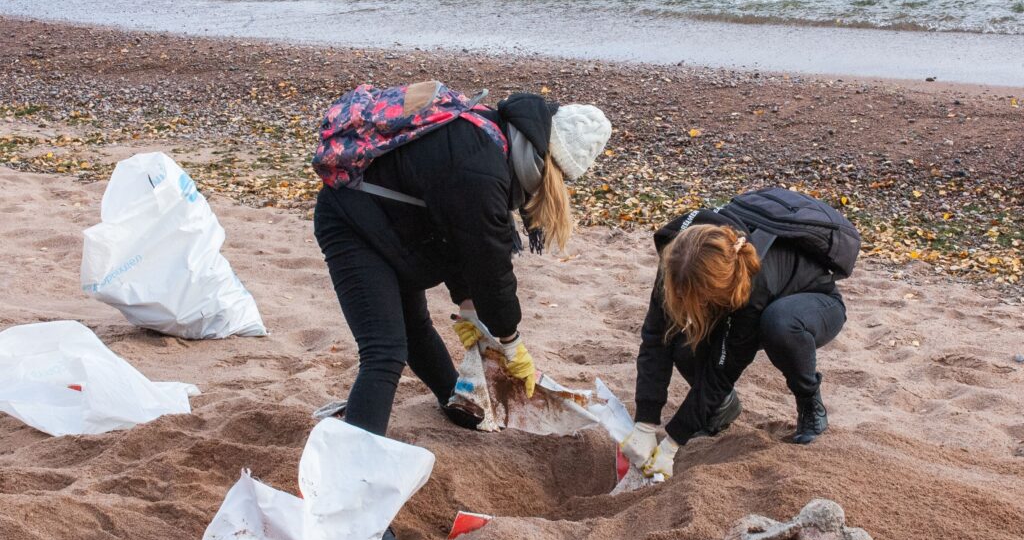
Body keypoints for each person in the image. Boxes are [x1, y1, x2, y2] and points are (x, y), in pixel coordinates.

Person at [313, 86, 611, 437]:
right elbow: (489, 262)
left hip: (389, 223)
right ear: (548, 161)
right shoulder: (481, 167)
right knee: (384, 351)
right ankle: (354, 461)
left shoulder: (491, 137)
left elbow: (458, 237)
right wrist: (510, 340)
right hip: (353, 223)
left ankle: (458, 403)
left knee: (415, 327)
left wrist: (469, 307)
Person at [620, 196, 848, 479]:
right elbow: (655, 337)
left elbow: (722, 371)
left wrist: (672, 443)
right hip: (732, 295)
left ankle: (809, 400)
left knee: (778, 325)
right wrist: (645, 420)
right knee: (680, 340)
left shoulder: (753, 288)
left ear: (716, 292)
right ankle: (722, 408)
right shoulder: (679, 254)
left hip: (812, 304)